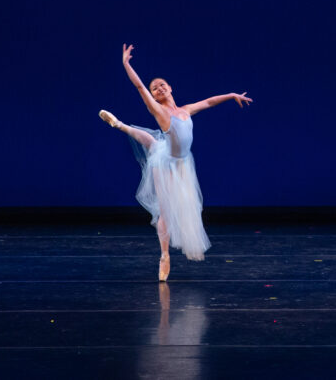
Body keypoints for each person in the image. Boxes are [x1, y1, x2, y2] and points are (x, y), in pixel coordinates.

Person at [99, 44, 252, 280]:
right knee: (165, 211)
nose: (158, 88)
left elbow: (210, 102)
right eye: (155, 88)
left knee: (153, 142)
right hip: (166, 164)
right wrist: (126, 64)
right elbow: (140, 87)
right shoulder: (160, 112)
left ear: (170, 88)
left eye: (162, 85)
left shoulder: (185, 110)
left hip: (181, 161)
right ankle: (164, 255)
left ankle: (121, 125)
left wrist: (231, 96)